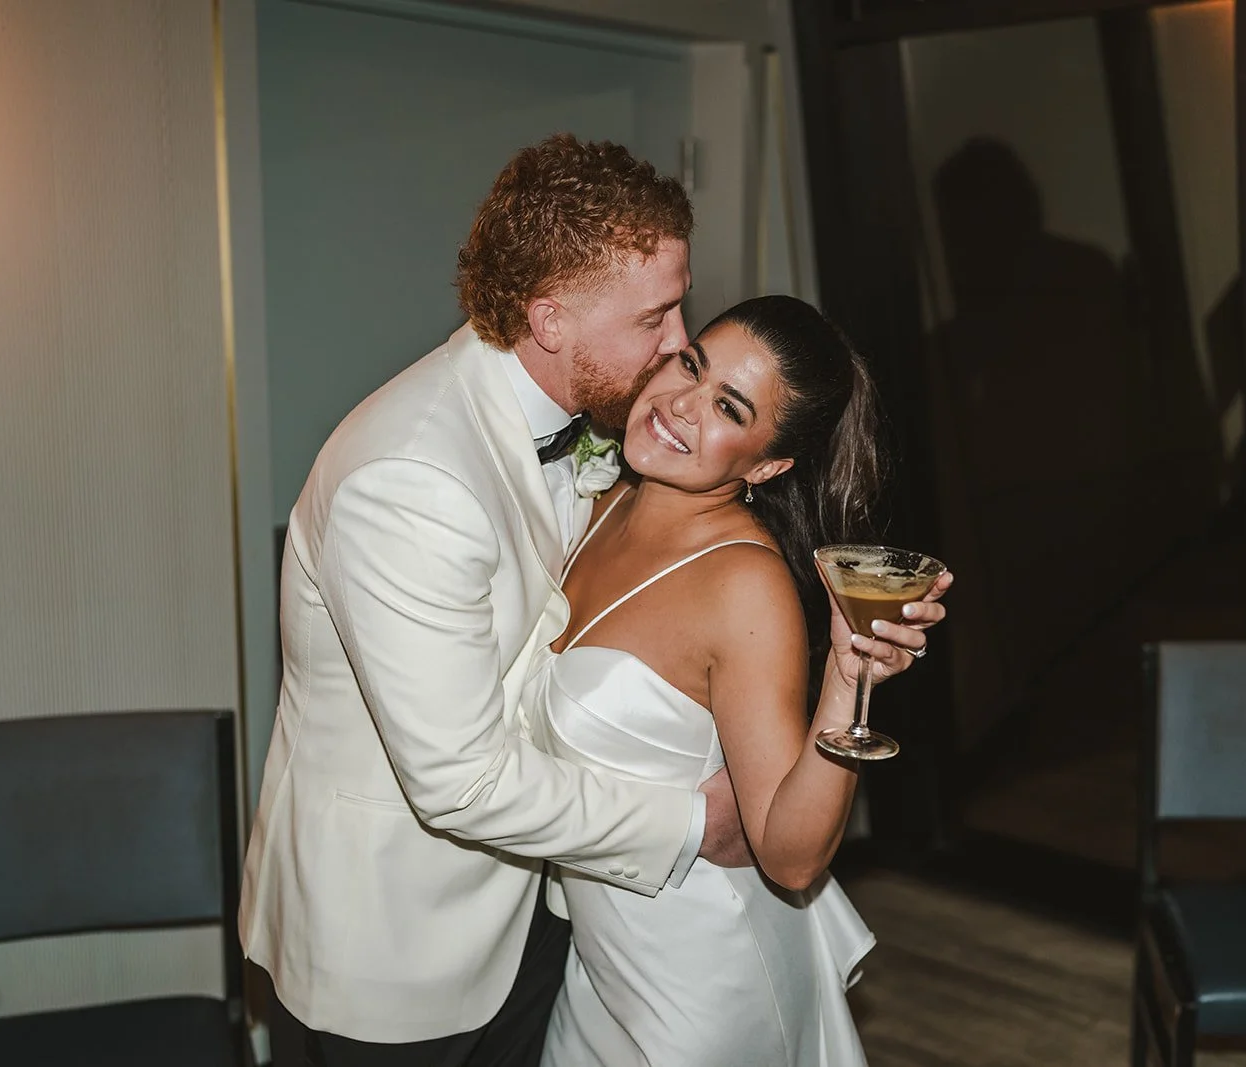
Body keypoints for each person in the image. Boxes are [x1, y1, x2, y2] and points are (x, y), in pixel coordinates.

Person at [238, 135, 751, 1067]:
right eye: (657, 316)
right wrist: (692, 823)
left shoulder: (575, 420)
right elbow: (462, 780)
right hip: (399, 955)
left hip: (534, 919)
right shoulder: (411, 477)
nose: (681, 341)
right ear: (549, 319)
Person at [526, 294, 954, 1066]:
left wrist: (846, 678)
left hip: (697, 989)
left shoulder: (742, 587)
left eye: (727, 406)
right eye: (691, 364)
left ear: (768, 464)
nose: (680, 405)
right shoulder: (601, 502)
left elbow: (790, 856)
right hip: (595, 972)